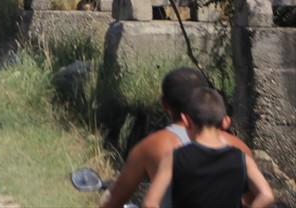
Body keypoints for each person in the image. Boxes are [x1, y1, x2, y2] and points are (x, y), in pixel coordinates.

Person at [101, 68, 258, 208]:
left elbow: (115, 200)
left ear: (164, 103)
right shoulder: (238, 147)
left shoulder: (150, 147)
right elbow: (252, 199)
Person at [143, 87, 273, 208]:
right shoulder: (242, 159)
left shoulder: (174, 158)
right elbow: (266, 195)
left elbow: (150, 204)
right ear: (226, 122)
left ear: (186, 121)